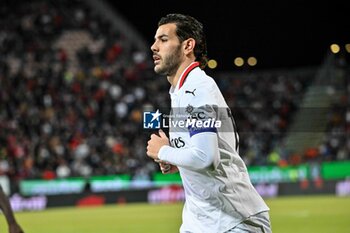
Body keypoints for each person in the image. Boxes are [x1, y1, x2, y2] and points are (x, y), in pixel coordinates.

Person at [146, 13, 272, 233]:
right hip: (202, 221)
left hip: (233, 221)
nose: (153, 47)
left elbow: (206, 158)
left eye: (163, 39)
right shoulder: (181, 90)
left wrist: (164, 151)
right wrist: (177, 161)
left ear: (188, 46)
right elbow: (203, 153)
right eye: (156, 40)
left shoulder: (198, 88)